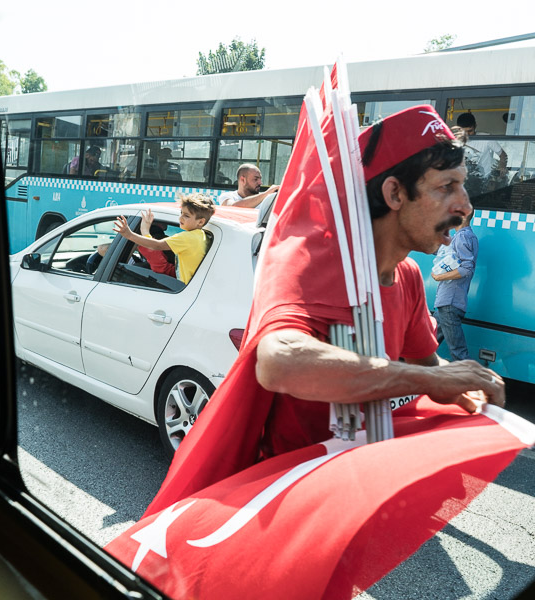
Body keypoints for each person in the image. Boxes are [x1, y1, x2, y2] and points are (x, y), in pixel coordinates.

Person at [145, 105, 505, 514]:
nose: (465, 205)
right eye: (447, 187)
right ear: (395, 194)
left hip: (355, 494)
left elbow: (429, 365)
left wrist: (470, 388)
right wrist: (424, 378)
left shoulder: (406, 277)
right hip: (284, 502)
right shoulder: (307, 262)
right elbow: (279, 362)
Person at [113, 193, 214, 285]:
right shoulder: (202, 236)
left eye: (186, 216)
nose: (180, 218)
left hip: (182, 288)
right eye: (181, 213)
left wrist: (129, 235)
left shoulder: (187, 237)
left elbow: (157, 245)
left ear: (200, 222)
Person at [431, 208, 478, 361]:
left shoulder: (462, 237)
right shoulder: (466, 236)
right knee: (427, 344)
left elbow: (467, 268)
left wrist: (439, 277)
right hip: (448, 302)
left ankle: (470, 382)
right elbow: (447, 254)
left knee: (459, 353)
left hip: (450, 302)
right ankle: (414, 376)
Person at [457, 113, 508, 183]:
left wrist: (502, 167)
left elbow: (503, 155)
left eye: (470, 131)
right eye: (464, 132)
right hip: (462, 181)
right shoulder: (455, 142)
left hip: (484, 181)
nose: (467, 134)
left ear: (475, 126)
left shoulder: (486, 138)